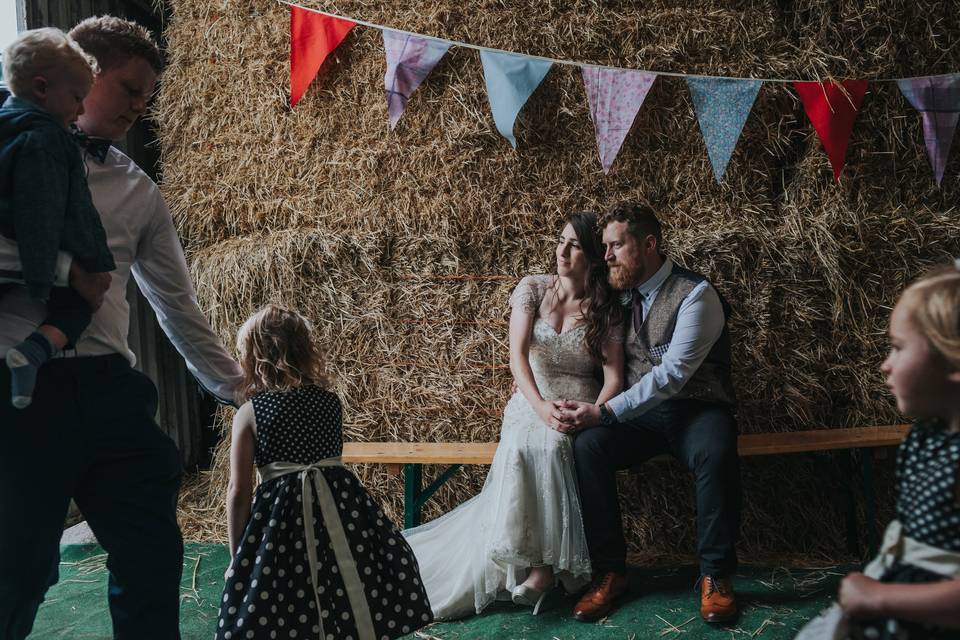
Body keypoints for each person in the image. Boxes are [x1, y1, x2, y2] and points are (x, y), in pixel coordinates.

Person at [0, 16, 243, 640]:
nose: (140, 107)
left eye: (148, 96)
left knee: (152, 553)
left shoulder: (138, 191)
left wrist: (238, 389)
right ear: (84, 74)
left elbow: (175, 304)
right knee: (19, 568)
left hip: (112, 389)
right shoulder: (7, 152)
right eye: (130, 89)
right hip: (21, 392)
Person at [403, 212, 626, 619]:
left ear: (593, 257)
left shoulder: (605, 306)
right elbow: (517, 356)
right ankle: (539, 568)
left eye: (574, 245)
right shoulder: (532, 289)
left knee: (557, 444)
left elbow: (614, 374)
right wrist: (539, 405)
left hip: (577, 400)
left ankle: (546, 568)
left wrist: (595, 411)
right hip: (531, 396)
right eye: (560, 240)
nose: (562, 251)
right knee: (527, 443)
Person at [556, 202, 741, 624]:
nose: (606, 257)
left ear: (649, 244)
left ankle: (716, 575)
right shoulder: (616, 291)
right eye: (603, 247)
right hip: (643, 419)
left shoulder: (696, 295)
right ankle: (610, 572)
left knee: (715, 451)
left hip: (697, 408)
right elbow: (566, 302)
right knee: (589, 447)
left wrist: (604, 412)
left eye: (615, 246)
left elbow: (673, 375)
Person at [217, 304, 433, 640]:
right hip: (340, 508)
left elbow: (238, 491)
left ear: (253, 357)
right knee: (346, 578)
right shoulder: (330, 402)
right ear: (305, 351)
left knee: (285, 591)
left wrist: (238, 558)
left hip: (280, 518)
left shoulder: (249, 413)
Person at [795, 262, 960, 640]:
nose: (885, 365)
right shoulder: (927, 436)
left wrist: (881, 597)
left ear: (953, 361)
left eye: (899, 348)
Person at [0, 27, 115, 408]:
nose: (81, 110)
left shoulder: (11, 126)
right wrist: (49, 272)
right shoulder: (44, 142)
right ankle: (32, 354)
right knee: (82, 304)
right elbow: (40, 212)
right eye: (77, 98)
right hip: (47, 253)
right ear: (42, 88)